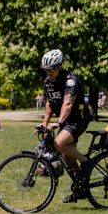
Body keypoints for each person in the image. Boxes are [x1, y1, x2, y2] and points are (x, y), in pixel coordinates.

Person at [40, 49, 93, 202]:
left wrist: (57, 123)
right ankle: (81, 187)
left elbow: (68, 103)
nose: (49, 72)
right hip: (65, 120)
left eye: (52, 69)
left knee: (59, 143)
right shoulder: (48, 81)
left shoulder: (71, 81)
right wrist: (45, 124)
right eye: (46, 70)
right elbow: (49, 102)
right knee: (66, 155)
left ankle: (86, 161)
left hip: (78, 118)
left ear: (60, 66)